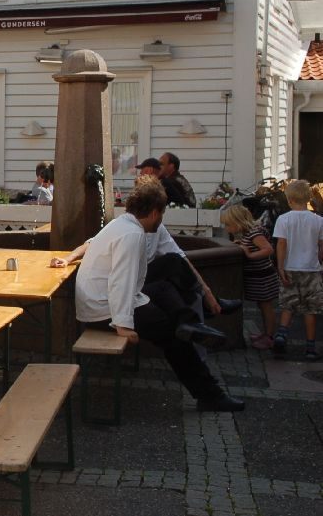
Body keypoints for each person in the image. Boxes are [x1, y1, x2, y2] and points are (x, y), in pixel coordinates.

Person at [66, 177, 243, 412]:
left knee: (163, 286)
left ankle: (188, 322)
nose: (161, 220)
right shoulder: (132, 234)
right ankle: (210, 395)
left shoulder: (121, 224)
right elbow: (121, 282)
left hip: (104, 302)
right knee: (173, 337)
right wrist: (122, 325)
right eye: (162, 214)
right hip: (104, 311)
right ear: (153, 212)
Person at [271, 180, 323, 360]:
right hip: (312, 269)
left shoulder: (283, 219)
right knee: (310, 310)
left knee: (288, 304)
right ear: (308, 198)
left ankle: (281, 334)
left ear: (289, 200)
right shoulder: (318, 220)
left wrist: (280, 266)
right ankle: (310, 348)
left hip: (290, 267)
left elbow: (281, 244)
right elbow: (321, 247)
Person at [220, 204, 279, 349]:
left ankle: (270, 337)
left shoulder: (254, 234)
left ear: (238, 222)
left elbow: (268, 250)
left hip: (263, 276)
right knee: (262, 305)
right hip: (257, 276)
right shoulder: (247, 234)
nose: (227, 229)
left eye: (228, 225)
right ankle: (266, 333)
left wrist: (250, 255)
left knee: (266, 307)